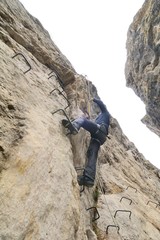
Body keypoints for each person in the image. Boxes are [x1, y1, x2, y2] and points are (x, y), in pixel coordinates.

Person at [71, 97, 110, 187]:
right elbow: (92, 125)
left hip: (100, 131)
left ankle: (74, 125)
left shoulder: (105, 114)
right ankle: (89, 178)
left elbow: (102, 106)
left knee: (83, 121)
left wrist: (94, 99)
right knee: (92, 154)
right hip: (99, 138)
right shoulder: (98, 119)